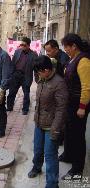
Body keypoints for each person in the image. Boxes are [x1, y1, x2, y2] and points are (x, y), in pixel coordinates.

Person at [28, 55, 68, 188]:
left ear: (46, 70)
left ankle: (52, 184)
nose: (37, 74)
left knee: (50, 156)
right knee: (38, 149)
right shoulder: (42, 79)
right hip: (39, 123)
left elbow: (61, 110)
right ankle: (37, 167)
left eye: (38, 71)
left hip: (52, 126)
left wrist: (56, 129)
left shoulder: (59, 83)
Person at [60, 33, 90, 180]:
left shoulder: (83, 60)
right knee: (69, 131)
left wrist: (82, 106)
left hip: (79, 104)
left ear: (74, 46)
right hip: (70, 103)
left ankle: (77, 169)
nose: (65, 49)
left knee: (78, 136)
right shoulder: (72, 59)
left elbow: (87, 87)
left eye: (66, 46)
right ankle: (68, 155)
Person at [7, 37, 38, 115]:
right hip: (16, 75)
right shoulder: (17, 52)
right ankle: (9, 107)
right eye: (21, 44)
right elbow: (12, 63)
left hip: (26, 76)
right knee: (12, 92)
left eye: (23, 45)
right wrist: (11, 75)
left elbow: (36, 68)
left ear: (28, 45)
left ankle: (25, 109)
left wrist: (37, 79)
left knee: (26, 94)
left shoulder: (34, 55)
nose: (21, 46)